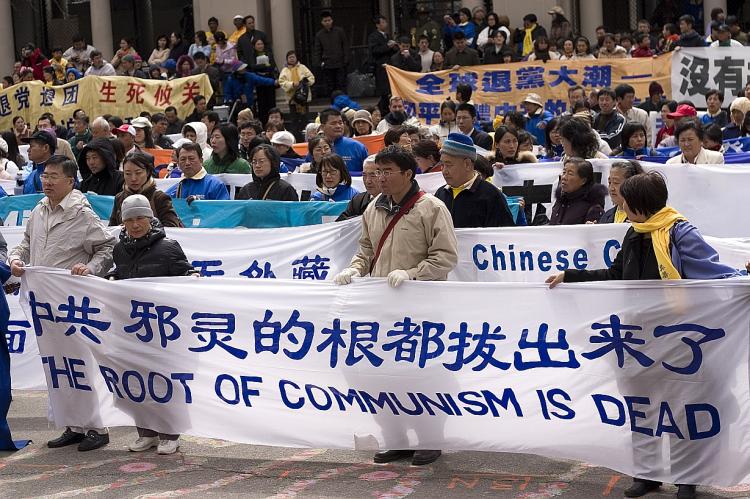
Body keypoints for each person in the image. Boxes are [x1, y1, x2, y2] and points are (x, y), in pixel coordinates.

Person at [546, 172, 741, 499]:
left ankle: (687, 478)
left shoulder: (680, 233)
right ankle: (647, 474)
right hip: (638, 339)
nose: (619, 203)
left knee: (681, 410)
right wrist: (571, 276)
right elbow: (616, 274)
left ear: (639, 205)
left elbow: (714, 273)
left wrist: (744, 278)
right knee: (642, 408)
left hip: (679, 339)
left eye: (624, 199)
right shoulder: (634, 233)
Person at [334, 145, 457, 467]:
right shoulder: (374, 207)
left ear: (408, 174)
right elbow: (365, 250)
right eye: (377, 171)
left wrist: (413, 274)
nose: (380, 177)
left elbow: (445, 257)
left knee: (423, 375)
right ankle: (397, 437)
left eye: (388, 171)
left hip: (420, 309)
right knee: (378, 375)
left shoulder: (431, 208)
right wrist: (355, 269)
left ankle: (430, 439)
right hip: (380, 309)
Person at [9, 156, 115, 452]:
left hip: (73, 303)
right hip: (44, 304)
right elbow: (25, 244)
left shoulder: (82, 214)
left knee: (81, 363)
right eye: (44, 175)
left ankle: (97, 426)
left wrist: (91, 267)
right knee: (57, 365)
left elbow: (106, 247)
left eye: (54, 176)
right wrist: (15, 259)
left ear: (70, 181)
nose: (47, 181)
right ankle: (73, 424)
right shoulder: (39, 210)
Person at [107, 194, 196, 454]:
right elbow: (119, 271)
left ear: (150, 218)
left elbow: (185, 275)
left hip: (163, 329)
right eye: (130, 220)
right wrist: (112, 278)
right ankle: (146, 432)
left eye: (140, 218)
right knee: (136, 380)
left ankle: (170, 433)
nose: (135, 225)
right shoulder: (119, 248)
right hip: (132, 327)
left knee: (165, 381)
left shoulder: (168, 246)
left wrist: (193, 277)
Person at [435, 133, 514, 227]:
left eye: (449, 165)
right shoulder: (440, 194)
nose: (444, 171)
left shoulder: (491, 195)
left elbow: (502, 236)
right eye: (442, 165)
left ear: (467, 164)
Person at [110, 151, 183, 227]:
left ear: (148, 172)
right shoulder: (119, 198)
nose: (133, 178)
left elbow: (172, 228)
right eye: (128, 174)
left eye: (138, 173)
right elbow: (112, 229)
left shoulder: (159, 198)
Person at [549, 157, 606, 225]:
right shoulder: (560, 200)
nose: (564, 177)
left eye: (570, 174)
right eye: (564, 172)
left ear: (583, 181)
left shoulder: (593, 207)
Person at [319, 108, 368, 172]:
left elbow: (369, 172)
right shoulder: (316, 148)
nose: (338, 126)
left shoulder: (357, 147)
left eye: (340, 123)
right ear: (322, 127)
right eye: (333, 123)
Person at [336, 155, 381, 220]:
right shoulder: (357, 200)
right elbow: (341, 224)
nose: (368, 181)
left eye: (373, 175)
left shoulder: (392, 200)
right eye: (364, 175)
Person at [314, 10, 349, 94]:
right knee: (331, 86)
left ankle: (343, 102)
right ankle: (334, 103)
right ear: (322, 22)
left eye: (329, 20)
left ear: (332, 20)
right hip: (328, 64)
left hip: (340, 63)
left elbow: (345, 46)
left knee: (341, 84)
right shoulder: (319, 35)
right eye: (325, 21)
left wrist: (346, 60)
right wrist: (320, 63)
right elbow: (318, 50)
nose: (327, 22)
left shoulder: (339, 31)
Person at [368, 15, 398, 112]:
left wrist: (393, 46)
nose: (386, 24)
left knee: (390, 90)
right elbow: (375, 50)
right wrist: (387, 46)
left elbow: (393, 51)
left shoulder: (387, 35)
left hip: (390, 65)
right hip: (380, 65)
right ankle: (382, 109)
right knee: (384, 90)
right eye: (383, 22)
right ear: (378, 25)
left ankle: (385, 108)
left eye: (386, 22)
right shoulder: (373, 36)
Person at [279, 50, 315, 115]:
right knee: (294, 118)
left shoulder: (303, 67)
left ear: (296, 58)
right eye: (290, 57)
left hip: (303, 97)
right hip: (292, 97)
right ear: (287, 59)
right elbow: (282, 82)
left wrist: (303, 83)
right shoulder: (284, 70)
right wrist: (292, 84)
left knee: (305, 116)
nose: (292, 59)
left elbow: (311, 78)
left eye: (293, 57)